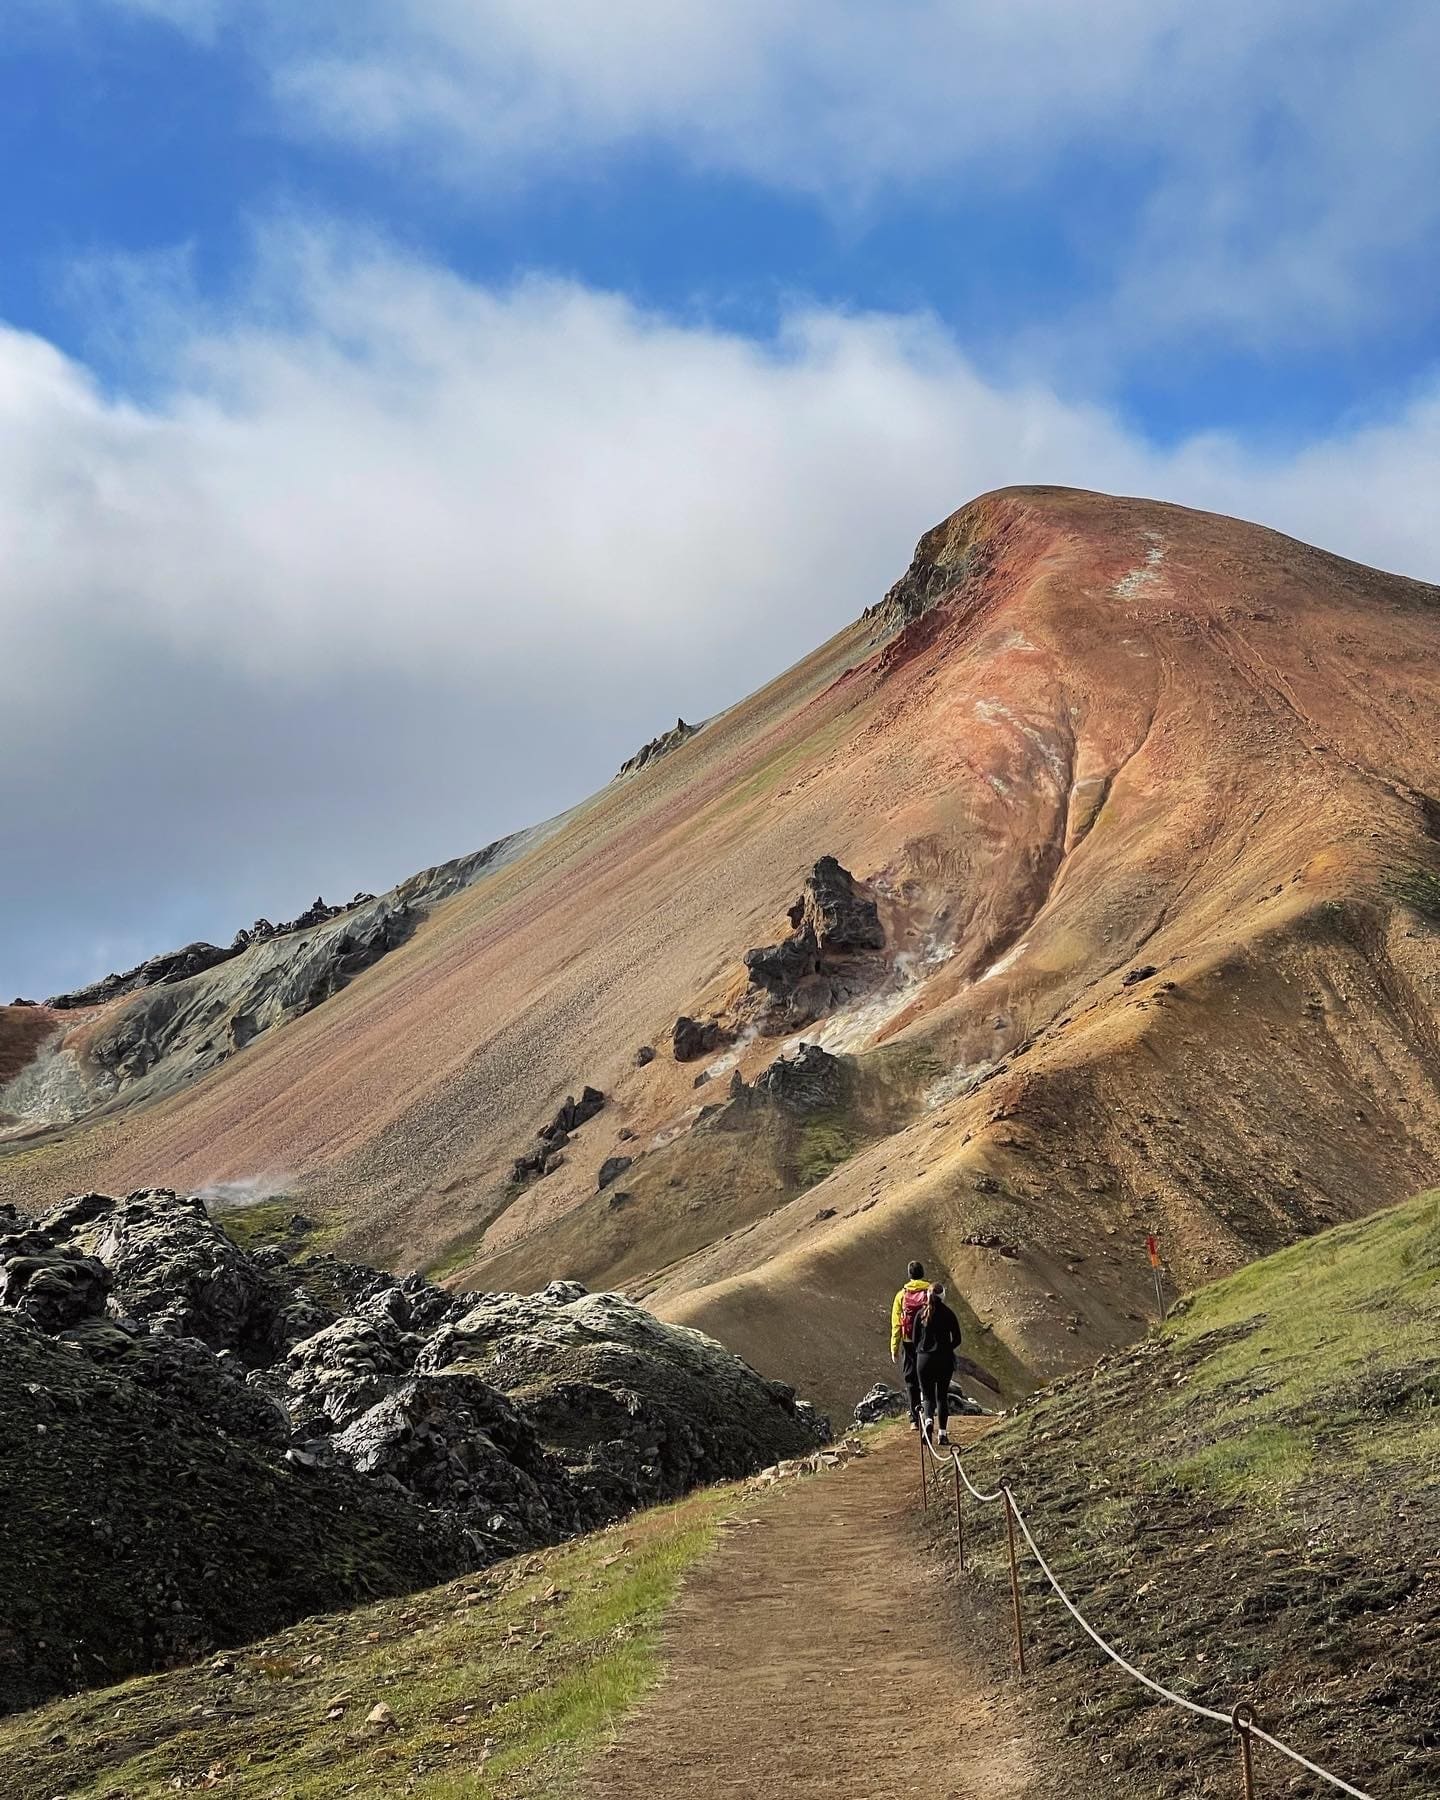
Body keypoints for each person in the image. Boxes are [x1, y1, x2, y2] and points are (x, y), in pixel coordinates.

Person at [913, 1281, 963, 1444]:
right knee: (941, 1396)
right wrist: (947, 1348)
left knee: (927, 1396)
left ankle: (928, 1421)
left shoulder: (920, 1314)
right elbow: (957, 1339)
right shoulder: (949, 1314)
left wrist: (922, 1349)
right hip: (943, 1359)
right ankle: (942, 1434)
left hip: (924, 1359)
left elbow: (914, 1340)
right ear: (942, 1296)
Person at [889, 1260, 930, 1430]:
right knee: (928, 1380)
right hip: (928, 1343)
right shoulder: (930, 1293)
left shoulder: (901, 1295)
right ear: (922, 1273)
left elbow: (897, 1324)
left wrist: (894, 1347)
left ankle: (914, 1419)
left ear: (909, 1275)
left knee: (911, 1380)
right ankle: (929, 1417)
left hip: (908, 1343)